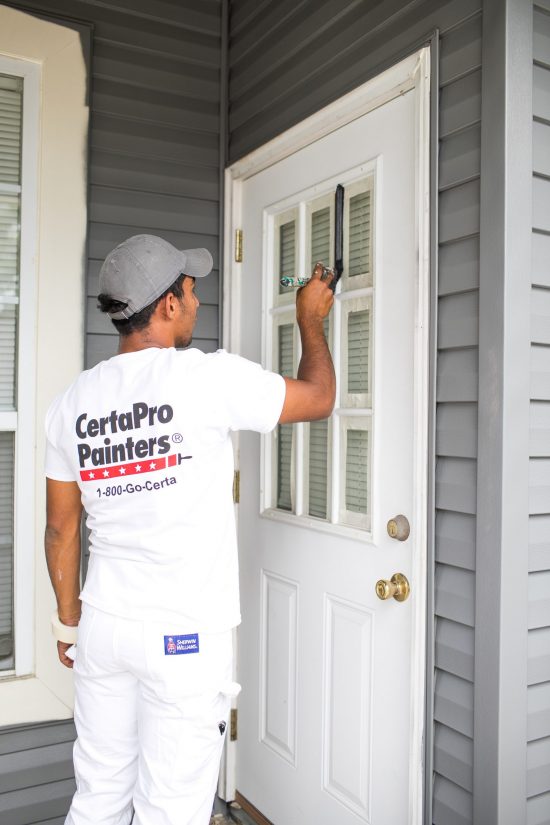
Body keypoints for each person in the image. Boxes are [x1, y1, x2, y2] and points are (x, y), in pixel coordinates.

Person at [44, 233, 335, 825]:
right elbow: (320, 397)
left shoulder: (73, 401)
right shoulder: (206, 378)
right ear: (167, 305)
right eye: (191, 291)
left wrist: (69, 623)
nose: (198, 303)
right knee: (170, 809)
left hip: (104, 625)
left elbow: (60, 531)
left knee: (98, 794)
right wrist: (309, 318)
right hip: (183, 636)